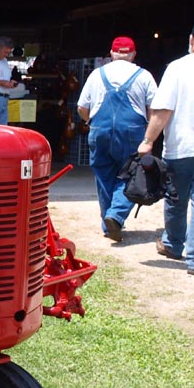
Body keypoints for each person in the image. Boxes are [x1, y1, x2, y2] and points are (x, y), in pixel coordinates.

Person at [138, 19, 194, 275]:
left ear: (191, 41)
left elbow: (163, 110)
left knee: (176, 198)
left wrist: (148, 141)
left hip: (181, 146)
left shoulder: (176, 68)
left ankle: (173, 245)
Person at [77, 36, 157, 242]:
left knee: (104, 176)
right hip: (132, 132)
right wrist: (149, 135)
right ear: (133, 54)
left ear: (111, 53)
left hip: (99, 129)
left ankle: (108, 223)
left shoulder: (97, 75)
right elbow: (154, 110)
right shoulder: (144, 75)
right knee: (132, 175)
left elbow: (82, 108)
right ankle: (116, 215)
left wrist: (92, 123)